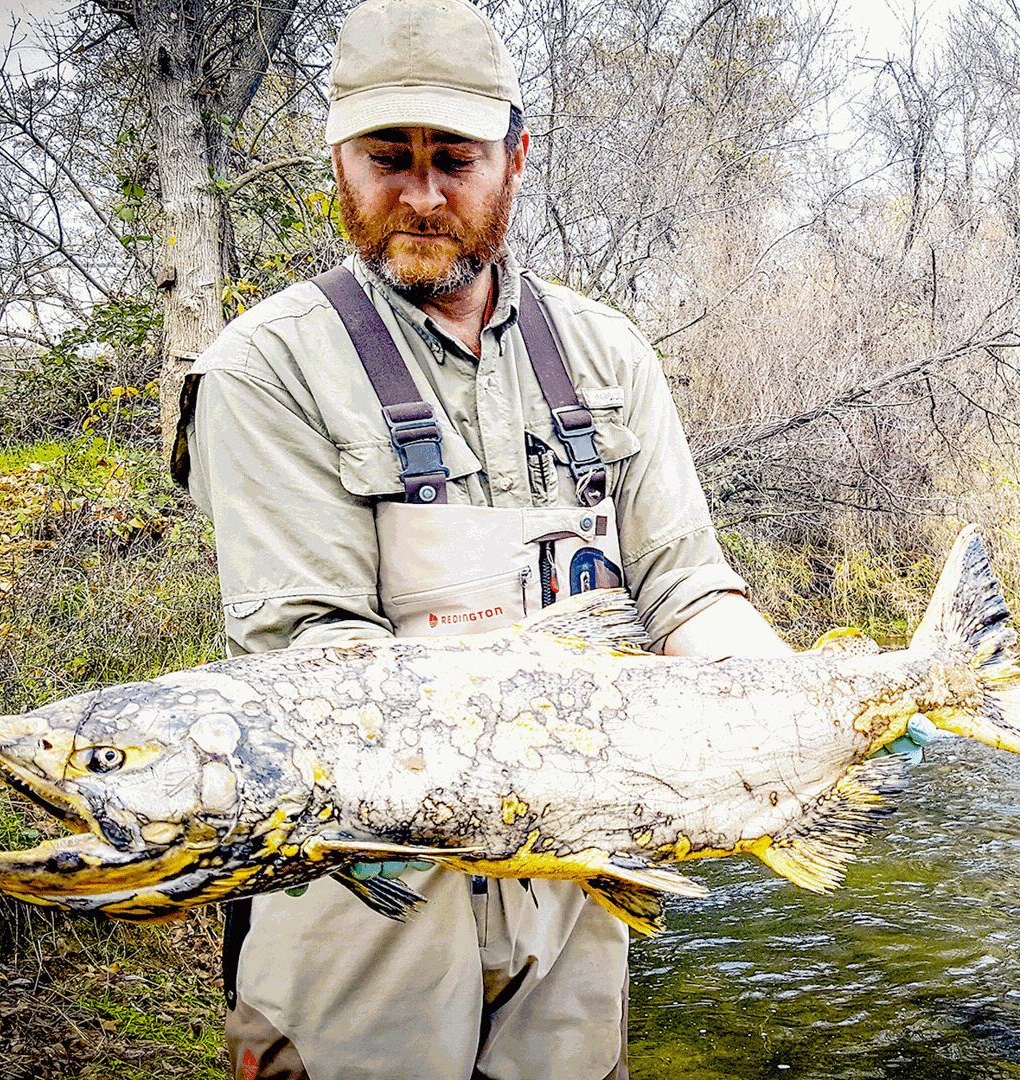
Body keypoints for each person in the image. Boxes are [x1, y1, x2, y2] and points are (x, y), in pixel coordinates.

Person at [166, 1, 797, 1076]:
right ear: (338, 159)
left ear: (515, 157)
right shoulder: (262, 369)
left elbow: (686, 589)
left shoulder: (609, 354)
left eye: (453, 158)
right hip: (362, 898)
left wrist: (796, 697)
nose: (418, 195)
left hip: (578, 885)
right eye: (385, 157)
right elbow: (320, 665)